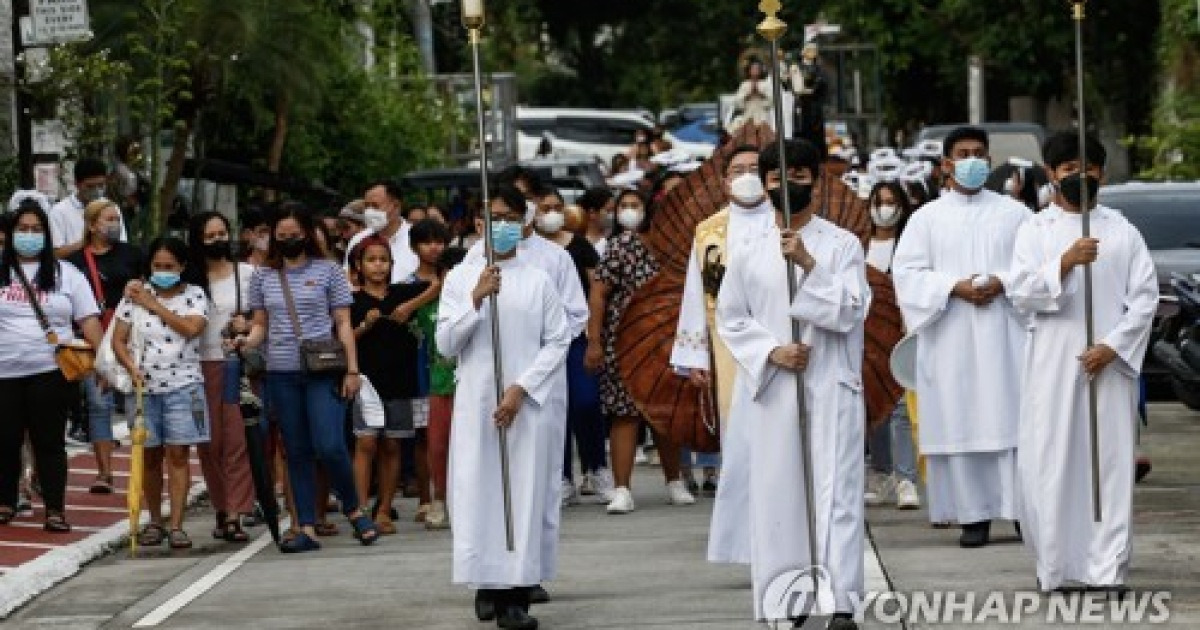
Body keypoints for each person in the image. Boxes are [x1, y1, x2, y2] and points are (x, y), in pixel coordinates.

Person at [716, 137, 868, 629]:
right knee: (779, 493)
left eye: (798, 177)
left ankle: (841, 601)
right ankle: (788, 599)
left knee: (836, 493)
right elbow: (732, 318)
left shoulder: (841, 245)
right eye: (778, 178)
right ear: (765, 183)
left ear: (815, 181)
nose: (788, 185)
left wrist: (807, 264)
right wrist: (772, 351)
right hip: (776, 388)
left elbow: (849, 311)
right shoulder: (747, 249)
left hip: (831, 385)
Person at [1010, 132, 1158, 593]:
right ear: (1052, 175)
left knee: (1108, 464)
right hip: (1053, 363)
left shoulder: (1122, 230)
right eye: (1069, 168)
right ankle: (1056, 566)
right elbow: (1021, 293)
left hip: (1108, 368)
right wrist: (1066, 262)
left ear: (1102, 173)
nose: (1080, 176)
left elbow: (1145, 298)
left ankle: (1107, 569)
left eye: (1088, 168)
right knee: (1052, 462)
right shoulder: (1035, 231)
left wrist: (1113, 346)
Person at [437, 186, 572, 630]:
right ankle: (486, 582)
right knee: (481, 492)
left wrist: (522, 388)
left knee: (523, 493)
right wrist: (475, 299)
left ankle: (516, 594)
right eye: (493, 217)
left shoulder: (538, 279)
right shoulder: (459, 278)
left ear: (524, 221)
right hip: (476, 401)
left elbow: (558, 339)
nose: (502, 225)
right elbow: (445, 344)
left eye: (511, 217)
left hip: (525, 403)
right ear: (477, 224)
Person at [892, 126, 1031, 547]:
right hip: (950, 334)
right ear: (946, 164)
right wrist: (954, 287)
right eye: (962, 153)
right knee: (962, 421)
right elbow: (908, 274)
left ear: (988, 161)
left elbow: (1033, 268)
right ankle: (973, 517)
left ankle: (1025, 512)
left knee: (1015, 423)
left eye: (978, 153)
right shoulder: (926, 219)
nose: (971, 160)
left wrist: (1002, 282)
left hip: (1005, 334)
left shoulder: (1016, 214)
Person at [236, 205, 380, 553]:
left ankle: (353, 507)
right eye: (281, 237)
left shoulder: (329, 271)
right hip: (280, 372)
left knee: (329, 444)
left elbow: (343, 322)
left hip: (323, 370)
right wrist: (246, 342)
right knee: (296, 451)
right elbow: (260, 325)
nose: (288, 241)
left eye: (294, 235)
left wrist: (352, 369)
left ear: (308, 234)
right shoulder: (263, 277)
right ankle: (307, 527)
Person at [672, 145, 773, 554]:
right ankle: (746, 544)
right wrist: (696, 356)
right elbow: (696, 294)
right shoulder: (708, 231)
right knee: (741, 444)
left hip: (781, 342)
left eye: (755, 168)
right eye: (738, 170)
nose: (747, 175)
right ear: (724, 180)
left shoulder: (784, 223)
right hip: (730, 350)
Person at [586, 189, 696, 514]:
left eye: (636, 205)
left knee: (664, 413)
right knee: (625, 413)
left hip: (666, 339)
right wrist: (595, 341)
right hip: (623, 340)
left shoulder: (671, 246)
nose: (630, 211)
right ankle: (622, 489)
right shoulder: (619, 246)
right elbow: (598, 294)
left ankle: (675, 481)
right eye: (624, 205)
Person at [0, 204, 104, 532]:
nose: (29, 235)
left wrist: (105, 364)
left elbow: (89, 321)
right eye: (22, 228)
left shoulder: (67, 275)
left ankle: (55, 510)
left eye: (36, 229)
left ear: (46, 235)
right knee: (5, 441)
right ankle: (5, 502)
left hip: (51, 370)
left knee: (49, 442)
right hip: (4, 372)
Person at [112, 238, 210, 549]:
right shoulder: (133, 295)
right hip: (144, 388)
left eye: (169, 266)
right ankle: (154, 521)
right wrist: (130, 367)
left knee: (179, 455)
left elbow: (192, 329)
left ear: (182, 266)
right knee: (149, 456)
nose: (163, 272)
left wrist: (154, 305)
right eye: (157, 266)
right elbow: (118, 340)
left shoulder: (194, 295)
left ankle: (177, 525)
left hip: (184, 385)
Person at [532, 187, 613, 506]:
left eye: (556, 207)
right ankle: (562, 476)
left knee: (585, 402)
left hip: (576, 335)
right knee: (554, 409)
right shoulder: (527, 250)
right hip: (540, 341)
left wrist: (594, 339)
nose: (551, 213)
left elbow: (595, 294)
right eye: (544, 207)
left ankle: (596, 468)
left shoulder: (578, 247)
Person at [348, 235, 429, 535]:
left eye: (383, 260)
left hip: (400, 379)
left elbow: (439, 285)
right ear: (358, 265)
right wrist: (364, 327)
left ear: (392, 265)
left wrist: (410, 307)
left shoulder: (402, 294)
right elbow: (344, 339)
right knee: (366, 442)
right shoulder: (352, 301)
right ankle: (360, 509)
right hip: (366, 381)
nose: (378, 266)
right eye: (371, 260)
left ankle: (384, 509)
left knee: (392, 444)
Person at [185, 212, 257, 543]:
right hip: (196, 367)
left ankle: (235, 513)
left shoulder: (248, 274)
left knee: (237, 441)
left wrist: (249, 326)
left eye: (222, 233)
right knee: (209, 443)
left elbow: (263, 318)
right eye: (209, 235)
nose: (217, 240)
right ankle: (220, 505)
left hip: (234, 363)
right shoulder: (188, 279)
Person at [65, 199, 144, 494]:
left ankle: (144, 463)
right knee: (99, 404)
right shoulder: (75, 261)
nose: (114, 223)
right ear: (92, 224)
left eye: (117, 218)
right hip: (91, 338)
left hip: (128, 336)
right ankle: (104, 472)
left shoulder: (133, 254)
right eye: (108, 219)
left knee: (136, 402)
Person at [861, 182, 921, 510]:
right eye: (879, 201)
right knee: (874, 406)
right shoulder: (859, 245)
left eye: (890, 202)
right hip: (867, 335)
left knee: (898, 405)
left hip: (899, 330)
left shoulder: (907, 244)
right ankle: (881, 472)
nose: (884, 208)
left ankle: (906, 478)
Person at [412, 223, 462, 530]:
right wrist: (431, 292)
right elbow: (402, 318)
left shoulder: (483, 302)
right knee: (439, 446)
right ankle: (440, 500)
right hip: (439, 384)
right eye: (448, 273)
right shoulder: (427, 305)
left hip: (473, 387)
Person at [50, 157, 124, 258]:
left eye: (101, 185)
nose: (97, 191)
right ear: (77, 184)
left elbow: (122, 244)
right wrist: (86, 242)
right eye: (90, 187)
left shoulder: (112, 207)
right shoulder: (59, 212)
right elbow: (56, 253)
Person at [346, 180, 419, 283]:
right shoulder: (358, 240)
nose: (370, 211)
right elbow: (349, 281)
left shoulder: (417, 237)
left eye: (375, 206)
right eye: (367, 206)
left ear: (396, 206)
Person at [731, 59, 774, 131]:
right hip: (748, 117)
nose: (755, 71)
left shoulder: (765, 84)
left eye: (757, 69)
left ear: (760, 71)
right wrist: (748, 95)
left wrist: (760, 94)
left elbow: (771, 102)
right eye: (753, 69)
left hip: (762, 117)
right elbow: (738, 103)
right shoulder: (744, 85)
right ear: (749, 71)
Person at [577, 188, 614, 259]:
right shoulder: (577, 241)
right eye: (609, 211)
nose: (612, 215)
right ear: (592, 213)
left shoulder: (614, 238)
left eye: (614, 211)